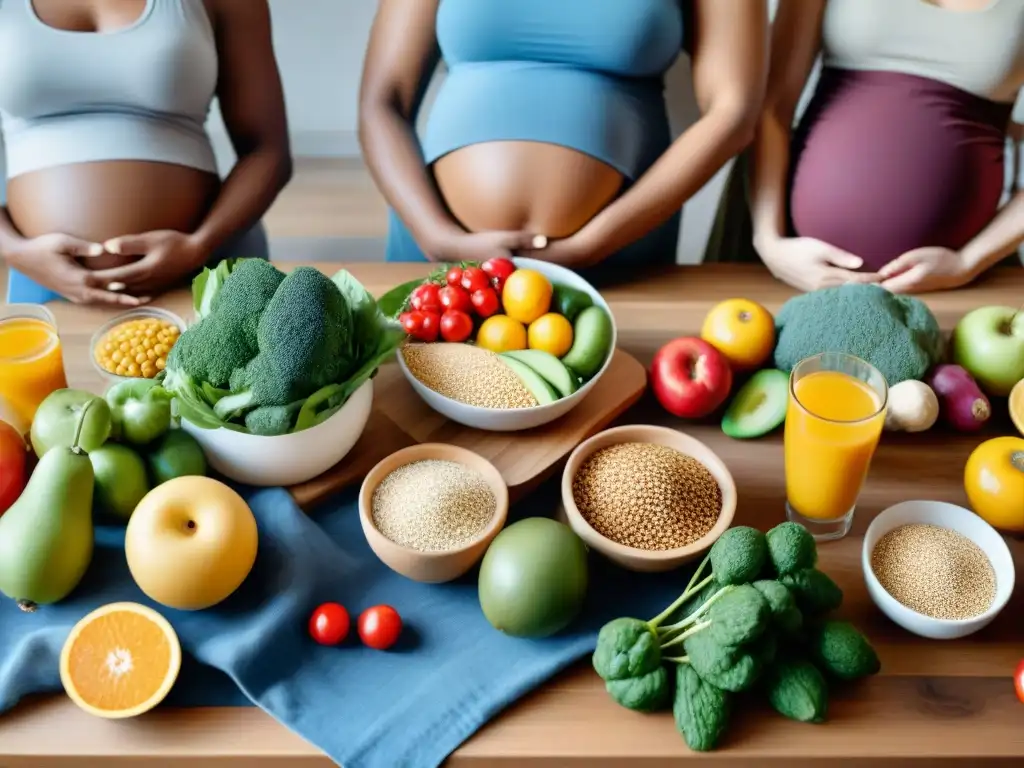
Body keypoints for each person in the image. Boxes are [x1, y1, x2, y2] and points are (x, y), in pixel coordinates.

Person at [359, 0, 768, 278]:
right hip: (438, 257)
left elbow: (734, 113)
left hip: (615, 258)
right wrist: (437, 237)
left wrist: (590, 245)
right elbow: (382, 100)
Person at [705, 0, 1024, 294]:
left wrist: (967, 263)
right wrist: (770, 242)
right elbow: (773, 106)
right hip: (793, 267)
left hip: (950, 285)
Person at [0, 0, 292, 306]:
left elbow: (268, 151)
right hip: (45, 280)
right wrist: (13, 249)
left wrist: (198, 246)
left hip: (203, 272)